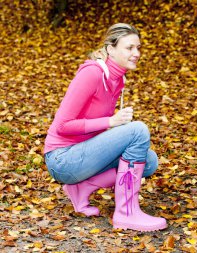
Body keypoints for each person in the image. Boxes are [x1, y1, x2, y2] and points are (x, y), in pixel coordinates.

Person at [44, 23, 167, 232]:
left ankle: (81, 188)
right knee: (137, 130)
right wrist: (111, 122)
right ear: (110, 49)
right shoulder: (92, 74)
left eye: (138, 48)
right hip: (62, 159)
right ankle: (126, 212)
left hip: (84, 154)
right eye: (129, 48)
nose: (136, 53)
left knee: (149, 161)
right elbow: (63, 126)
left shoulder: (117, 80)